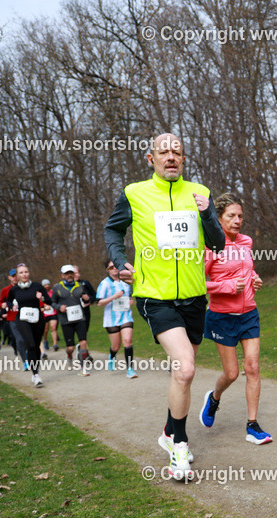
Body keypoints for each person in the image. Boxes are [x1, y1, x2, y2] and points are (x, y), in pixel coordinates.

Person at [104, 133, 225, 481]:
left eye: (177, 152)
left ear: (183, 159)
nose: (170, 157)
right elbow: (113, 231)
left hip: (194, 297)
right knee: (185, 369)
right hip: (154, 296)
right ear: (150, 158)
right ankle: (180, 447)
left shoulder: (199, 193)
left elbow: (217, 243)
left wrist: (207, 216)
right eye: (163, 152)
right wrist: (119, 260)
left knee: (182, 374)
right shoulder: (134, 193)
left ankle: (169, 430)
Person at [197, 193, 272, 445]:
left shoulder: (246, 242)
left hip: (249, 313)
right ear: (218, 219)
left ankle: (252, 425)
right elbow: (198, 283)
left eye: (240, 216)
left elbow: (247, 270)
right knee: (231, 373)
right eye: (231, 216)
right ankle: (214, 398)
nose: (237, 220)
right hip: (221, 317)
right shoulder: (210, 246)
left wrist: (255, 278)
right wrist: (227, 286)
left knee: (252, 367)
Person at [6, 264, 51, 387]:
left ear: (29, 273)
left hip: (38, 318)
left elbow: (49, 300)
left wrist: (41, 297)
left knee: (36, 345)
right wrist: (12, 306)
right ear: (18, 276)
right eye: (21, 273)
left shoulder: (37, 286)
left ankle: (35, 370)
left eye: (26, 272)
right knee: (30, 344)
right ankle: (36, 374)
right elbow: (8, 301)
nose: (24, 274)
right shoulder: (14, 290)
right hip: (22, 319)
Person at [96, 259, 138, 379]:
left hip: (126, 316)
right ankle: (112, 355)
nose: (114, 268)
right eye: (111, 267)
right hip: (111, 319)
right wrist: (113, 297)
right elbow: (99, 302)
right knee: (116, 346)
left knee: (127, 341)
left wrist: (130, 301)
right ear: (107, 270)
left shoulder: (126, 282)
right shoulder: (104, 284)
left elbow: (129, 296)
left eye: (115, 266)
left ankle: (130, 369)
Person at [52, 264, 92, 375]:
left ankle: (83, 367)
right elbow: (52, 302)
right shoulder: (57, 288)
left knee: (83, 342)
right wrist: (59, 308)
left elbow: (86, 299)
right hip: (66, 321)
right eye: (66, 273)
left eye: (71, 273)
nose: (69, 275)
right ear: (62, 275)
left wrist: (86, 298)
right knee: (70, 347)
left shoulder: (79, 286)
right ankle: (69, 356)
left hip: (80, 318)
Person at [0, 268, 27, 364]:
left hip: (26, 316)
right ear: (9, 278)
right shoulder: (5, 290)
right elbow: (1, 301)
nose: (15, 278)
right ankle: (25, 361)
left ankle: (31, 355)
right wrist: (2, 304)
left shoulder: (25, 287)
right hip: (13, 318)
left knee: (28, 338)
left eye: (16, 276)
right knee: (19, 339)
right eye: (13, 276)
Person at [40, 279, 59, 353]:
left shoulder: (53, 292)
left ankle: (55, 344)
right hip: (45, 313)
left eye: (48, 284)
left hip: (53, 312)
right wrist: (44, 306)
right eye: (45, 285)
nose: (47, 286)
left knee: (54, 328)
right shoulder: (41, 294)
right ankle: (45, 340)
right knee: (45, 330)